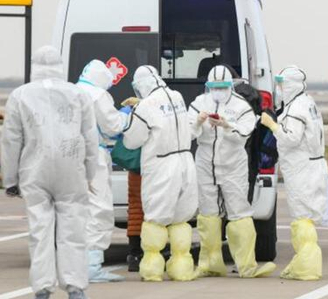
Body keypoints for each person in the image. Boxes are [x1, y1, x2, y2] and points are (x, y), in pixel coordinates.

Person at [1, 46, 99, 299]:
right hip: (71, 168)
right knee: (73, 231)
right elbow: (90, 138)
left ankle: (43, 290)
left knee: (40, 231)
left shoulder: (20, 95)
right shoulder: (78, 94)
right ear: (59, 65)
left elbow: (11, 140)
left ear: (34, 65)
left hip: (34, 169)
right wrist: (89, 174)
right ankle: (75, 288)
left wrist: (11, 179)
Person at [188, 65, 275, 278]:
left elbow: (246, 133)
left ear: (230, 85)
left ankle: (246, 265)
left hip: (233, 164)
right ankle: (209, 264)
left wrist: (227, 125)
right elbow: (188, 133)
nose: (218, 91)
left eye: (222, 87)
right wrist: (198, 122)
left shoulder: (241, 106)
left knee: (239, 212)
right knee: (208, 213)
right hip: (205, 163)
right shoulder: (199, 103)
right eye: (214, 87)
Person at [121, 65, 198, 282]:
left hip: (162, 165)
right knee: (180, 218)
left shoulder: (145, 106)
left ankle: (152, 269)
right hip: (185, 162)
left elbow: (132, 140)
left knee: (156, 218)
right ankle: (182, 267)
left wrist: (133, 114)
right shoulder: (177, 96)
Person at [260, 66, 328, 280]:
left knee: (302, 217)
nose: (280, 89)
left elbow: (291, 138)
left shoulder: (297, 108)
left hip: (302, 169)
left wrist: (273, 126)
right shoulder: (307, 102)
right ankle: (303, 262)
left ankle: (307, 267)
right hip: (311, 166)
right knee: (305, 216)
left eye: (282, 84)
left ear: (291, 85)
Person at [76, 60, 129, 283]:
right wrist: (126, 114)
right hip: (93, 155)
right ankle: (92, 266)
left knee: (78, 209)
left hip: (70, 154)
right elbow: (113, 126)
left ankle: (76, 264)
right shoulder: (98, 95)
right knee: (99, 208)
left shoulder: (73, 91)